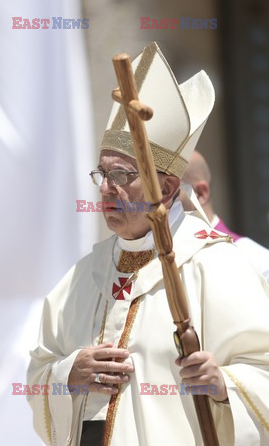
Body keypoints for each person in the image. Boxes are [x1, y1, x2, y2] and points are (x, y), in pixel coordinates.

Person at [27, 42, 269, 446]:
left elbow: (264, 372)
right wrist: (68, 373)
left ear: (168, 187)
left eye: (121, 176)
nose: (106, 189)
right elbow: (38, 371)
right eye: (101, 174)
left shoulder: (216, 264)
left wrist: (224, 383)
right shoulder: (85, 274)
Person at [181, 150, 269, 282]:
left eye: (168, 189)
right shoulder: (158, 262)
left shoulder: (256, 262)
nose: (154, 202)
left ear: (200, 193)